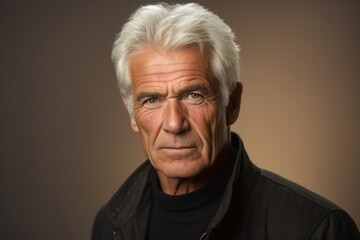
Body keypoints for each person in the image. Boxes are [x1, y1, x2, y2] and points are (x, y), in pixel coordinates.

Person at [92, 3, 359, 240]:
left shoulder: (317, 228)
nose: (174, 124)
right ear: (131, 112)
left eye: (194, 95)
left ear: (232, 103)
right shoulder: (109, 225)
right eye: (152, 100)